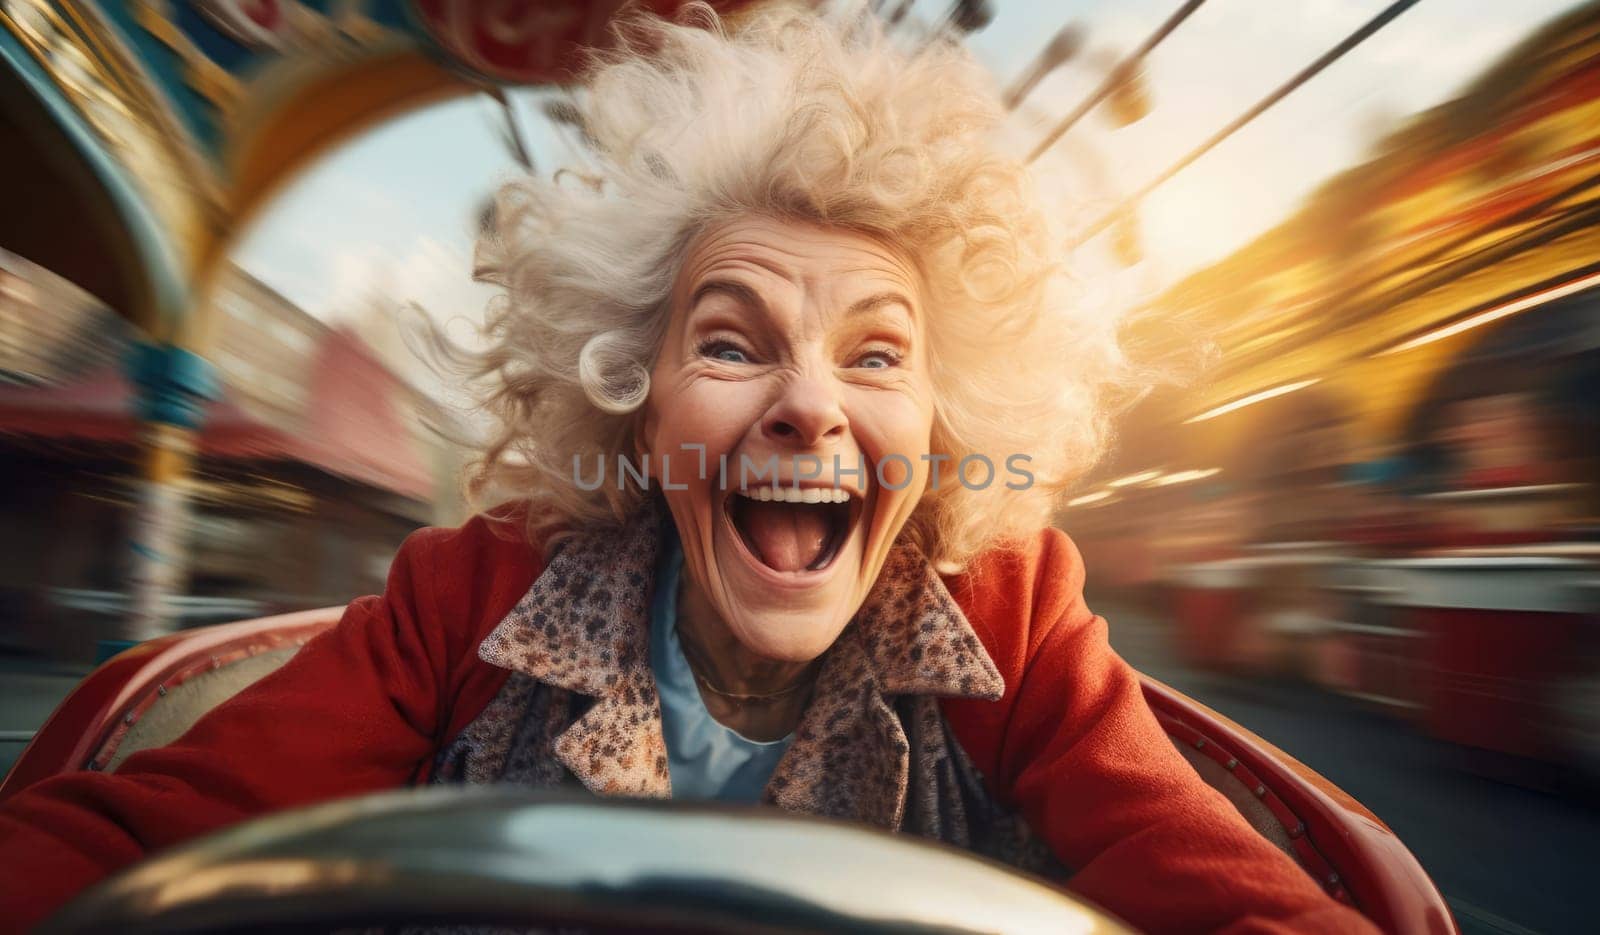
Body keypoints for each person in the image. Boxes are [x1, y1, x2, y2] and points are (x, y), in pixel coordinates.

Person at [0, 7, 1378, 933]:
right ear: (637, 404)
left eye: (878, 356)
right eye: (732, 343)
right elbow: (149, 835)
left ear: (946, 419)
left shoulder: (1012, 620)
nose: (806, 404)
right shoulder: (468, 592)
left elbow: (1241, 905)